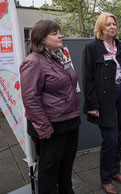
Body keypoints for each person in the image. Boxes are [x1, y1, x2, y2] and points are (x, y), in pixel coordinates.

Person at [20, 20, 80, 194]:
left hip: (70, 121)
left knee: (66, 166)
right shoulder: (34, 61)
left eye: (59, 32)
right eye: (54, 33)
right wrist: (44, 129)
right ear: (41, 38)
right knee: (49, 171)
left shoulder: (61, 56)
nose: (60, 35)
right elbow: (30, 98)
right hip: (51, 126)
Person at [82, 13, 121, 194]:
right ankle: (105, 178)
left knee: (119, 136)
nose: (112, 27)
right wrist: (92, 105)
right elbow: (87, 79)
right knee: (109, 139)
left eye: (114, 24)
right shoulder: (92, 47)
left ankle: (115, 170)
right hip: (104, 99)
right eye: (108, 24)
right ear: (101, 27)